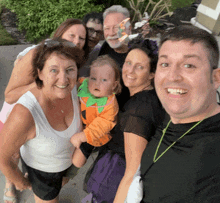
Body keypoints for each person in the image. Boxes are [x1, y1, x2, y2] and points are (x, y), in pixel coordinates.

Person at [2, 18, 89, 203]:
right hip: (41, 174)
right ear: (40, 73)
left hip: (63, 167)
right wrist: (21, 182)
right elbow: (3, 158)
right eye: (54, 70)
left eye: (70, 70)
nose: (63, 79)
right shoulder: (25, 113)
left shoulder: (75, 89)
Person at [140, 25, 220, 203]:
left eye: (188, 65)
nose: (173, 76)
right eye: (165, 64)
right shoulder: (169, 112)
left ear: (215, 78)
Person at [83, 36, 165, 203]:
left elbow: (132, 171)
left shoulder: (137, 113)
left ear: (151, 74)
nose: (129, 71)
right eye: (128, 63)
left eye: (139, 67)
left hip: (115, 173)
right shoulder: (146, 95)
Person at [71, 55, 120, 168]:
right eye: (93, 78)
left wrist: (83, 136)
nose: (97, 83)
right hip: (79, 126)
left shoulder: (110, 105)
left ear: (114, 85)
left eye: (104, 80)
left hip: (94, 135)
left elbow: (102, 125)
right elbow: (78, 82)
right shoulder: (86, 85)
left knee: (77, 162)